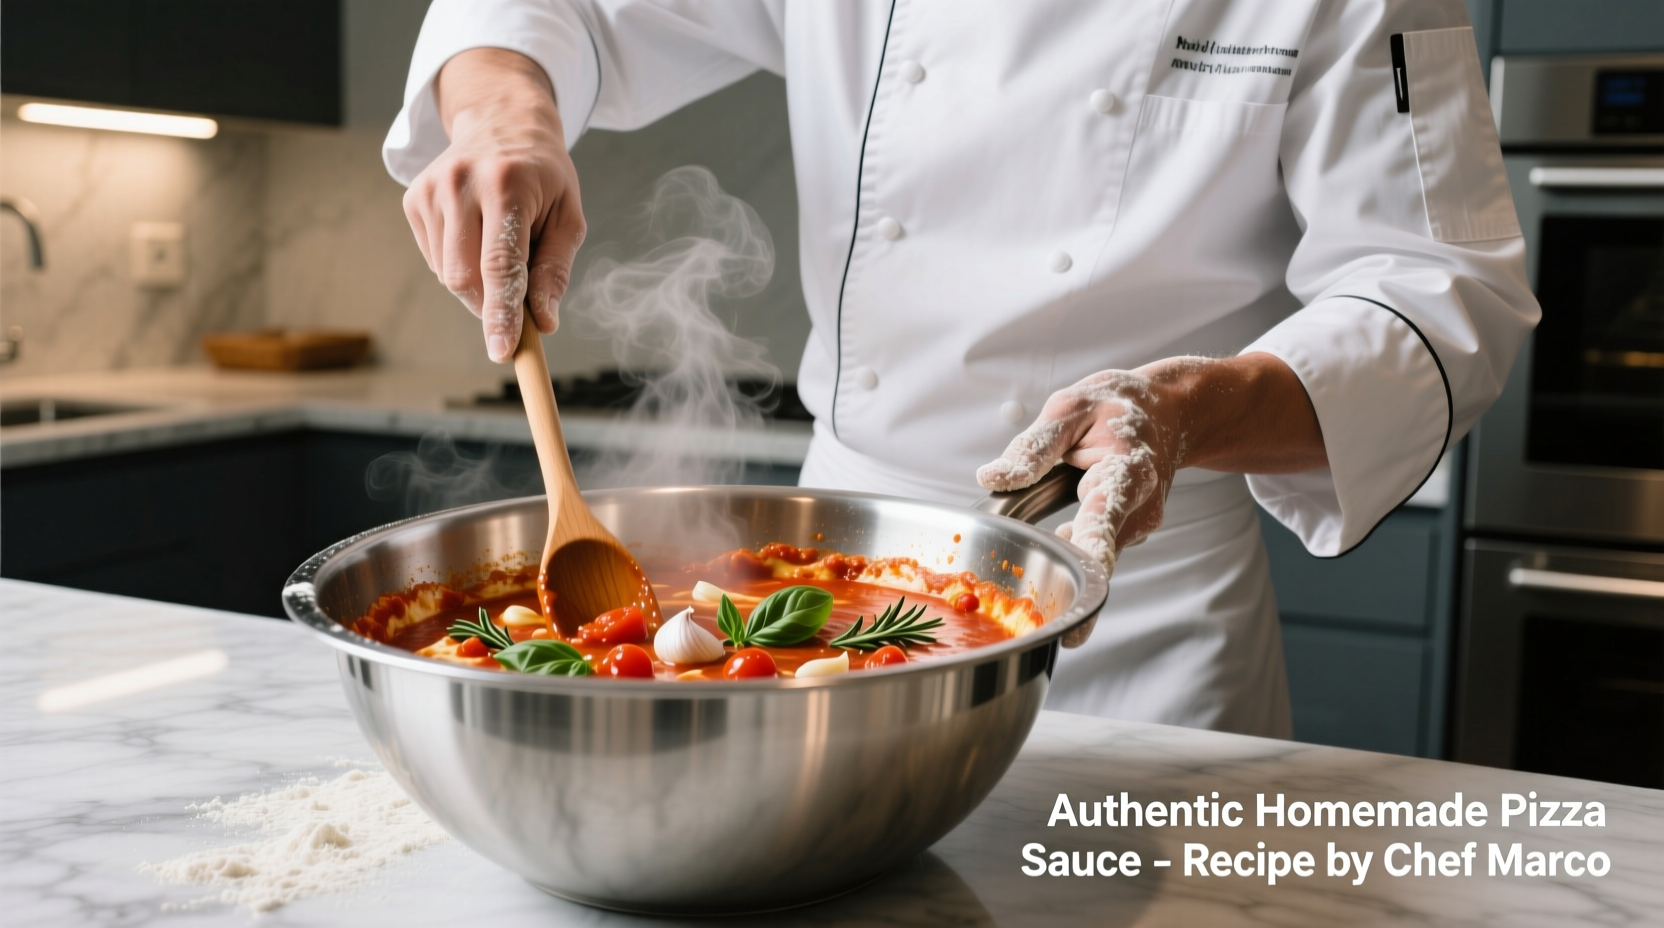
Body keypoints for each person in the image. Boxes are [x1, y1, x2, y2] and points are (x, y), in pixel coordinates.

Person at [384, 0, 1538, 737]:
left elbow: (1443, 288)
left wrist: (1181, 412)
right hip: (819, 601)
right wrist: (504, 119)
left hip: (1129, 623)